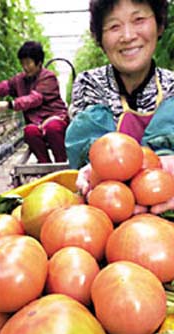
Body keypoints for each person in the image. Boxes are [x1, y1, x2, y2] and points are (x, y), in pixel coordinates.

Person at [65, 0, 174, 214]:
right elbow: (91, 150)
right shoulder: (90, 83)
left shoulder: (172, 87)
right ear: (100, 39)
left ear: (159, 25)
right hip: (104, 210)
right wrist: (100, 171)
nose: (128, 36)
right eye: (114, 26)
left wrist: (162, 174)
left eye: (139, 20)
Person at [0, 41, 69, 163]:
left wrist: (10, 104)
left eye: (28, 63)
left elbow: (35, 98)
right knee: (29, 132)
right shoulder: (20, 79)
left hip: (55, 118)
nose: (25, 67)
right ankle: (45, 166)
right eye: (22, 63)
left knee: (52, 128)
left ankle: (61, 163)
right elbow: (6, 86)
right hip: (36, 123)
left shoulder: (48, 77)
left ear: (39, 62)